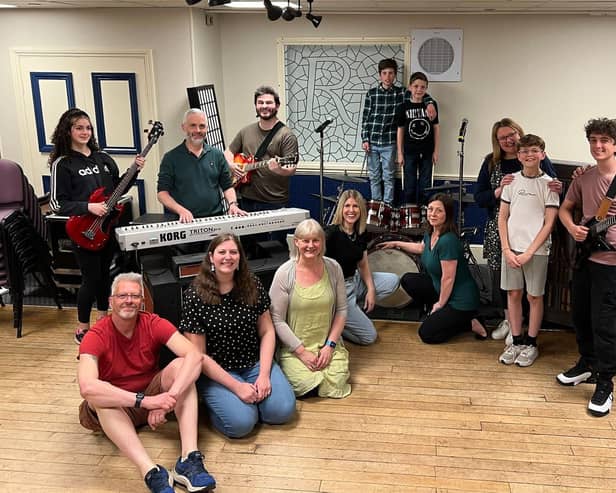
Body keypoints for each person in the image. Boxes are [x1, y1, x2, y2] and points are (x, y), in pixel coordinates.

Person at [77, 273, 216, 493]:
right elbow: (87, 387)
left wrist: (168, 399)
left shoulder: (153, 323)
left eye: (134, 295)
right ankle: (150, 471)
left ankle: (189, 460)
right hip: (119, 407)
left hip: (151, 393)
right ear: (111, 300)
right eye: (122, 295)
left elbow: (195, 356)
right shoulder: (96, 334)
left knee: (183, 367)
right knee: (99, 397)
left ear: (142, 301)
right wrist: (147, 402)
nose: (129, 300)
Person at [179, 233, 296, 438]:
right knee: (241, 425)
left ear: (240, 257)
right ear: (211, 257)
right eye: (222, 252)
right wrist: (236, 387)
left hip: (253, 364)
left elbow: (267, 331)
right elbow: (198, 355)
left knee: (282, 411)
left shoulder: (252, 285)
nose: (228, 257)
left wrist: (264, 375)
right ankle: (221, 406)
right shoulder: (194, 295)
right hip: (217, 371)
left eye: (233, 252)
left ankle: (250, 405)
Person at [49, 108, 146, 345]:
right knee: (90, 280)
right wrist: (88, 207)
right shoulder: (63, 164)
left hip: (106, 228)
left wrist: (134, 171)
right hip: (83, 230)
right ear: (68, 131)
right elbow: (56, 203)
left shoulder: (102, 158)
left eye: (88, 128)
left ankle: (103, 320)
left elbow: (117, 189)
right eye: (79, 128)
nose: (85, 132)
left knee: (105, 277)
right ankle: (83, 327)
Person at [473, 118, 561, 341]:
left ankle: (525, 328)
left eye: (511, 134)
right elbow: (479, 197)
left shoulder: (537, 160)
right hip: (501, 229)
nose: (508, 140)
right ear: (497, 141)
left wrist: (560, 186)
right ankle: (509, 321)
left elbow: (553, 186)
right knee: (504, 280)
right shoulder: (491, 162)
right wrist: (499, 190)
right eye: (502, 137)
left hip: (533, 234)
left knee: (530, 286)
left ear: (518, 133)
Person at [557, 118, 616, 417]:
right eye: (593, 139)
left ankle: (605, 383)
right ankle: (586, 364)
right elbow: (566, 209)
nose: (598, 145)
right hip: (585, 256)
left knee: (605, 324)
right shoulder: (583, 177)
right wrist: (572, 229)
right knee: (579, 315)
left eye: (604, 140)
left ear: (615, 144)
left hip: (612, 264)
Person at [379, 194, 487, 343]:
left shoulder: (448, 240)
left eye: (439, 211)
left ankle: (469, 322)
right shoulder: (431, 232)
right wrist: (396, 243)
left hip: (461, 300)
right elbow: (422, 248)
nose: (433, 214)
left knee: (427, 334)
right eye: (430, 209)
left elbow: (448, 278)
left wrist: (440, 304)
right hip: (442, 290)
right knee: (408, 280)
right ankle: (443, 313)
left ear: (447, 214)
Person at [269, 219, 351, 398]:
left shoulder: (333, 268)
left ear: (322, 242)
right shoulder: (284, 274)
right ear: (296, 242)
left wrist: (330, 346)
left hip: (327, 345)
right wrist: (302, 352)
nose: (310, 245)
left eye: (316, 240)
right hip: (294, 350)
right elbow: (277, 319)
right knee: (307, 384)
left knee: (336, 380)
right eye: (305, 241)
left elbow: (342, 310)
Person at [497, 134, 559, 367]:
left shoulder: (549, 184)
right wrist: (506, 249)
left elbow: (549, 223)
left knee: (534, 296)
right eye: (524, 151)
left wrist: (529, 252)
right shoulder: (511, 181)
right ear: (518, 155)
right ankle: (516, 340)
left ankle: (531, 343)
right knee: (513, 294)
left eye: (534, 150)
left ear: (542, 154)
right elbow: (502, 218)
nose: (529, 155)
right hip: (511, 249)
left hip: (537, 251)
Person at [325, 189, 399, 345]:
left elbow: (363, 264)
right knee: (369, 337)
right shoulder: (330, 234)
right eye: (347, 206)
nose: (351, 210)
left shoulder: (360, 232)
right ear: (341, 209)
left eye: (356, 206)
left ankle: (350, 313)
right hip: (338, 289)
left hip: (355, 280)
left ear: (361, 210)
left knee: (393, 280)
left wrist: (371, 290)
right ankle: (336, 323)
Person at [361, 58, 435, 206]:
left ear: (395, 75)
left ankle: (387, 207)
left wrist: (430, 103)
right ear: (380, 75)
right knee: (374, 176)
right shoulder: (372, 93)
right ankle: (376, 207)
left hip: (389, 141)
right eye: (384, 73)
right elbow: (366, 118)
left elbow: (419, 94)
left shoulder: (401, 92)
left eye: (391, 73)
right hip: (373, 140)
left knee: (388, 176)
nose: (388, 77)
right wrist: (365, 139)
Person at [157, 108, 245, 223]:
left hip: (215, 219)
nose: (198, 130)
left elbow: (227, 186)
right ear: (183, 127)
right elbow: (162, 193)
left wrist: (233, 204)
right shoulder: (170, 158)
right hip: (183, 221)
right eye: (193, 125)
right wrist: (181, 211)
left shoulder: (217, 155)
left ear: (207, 128)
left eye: (202, 126)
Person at [224, 85, 298, 213]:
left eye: (269, 102)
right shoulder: (245, 131)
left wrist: (279, 169)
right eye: (260, 102)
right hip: (246, 200)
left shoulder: (286, 135)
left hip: (275, 202)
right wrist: (231, 165)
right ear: (256, 106)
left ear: (277, 106)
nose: (264, 106)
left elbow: (291, 169)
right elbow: (228, 152)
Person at [396, 71, 440, 206]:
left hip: (427, 151)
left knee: (425, 187)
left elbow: (436, 128)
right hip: (409, 152)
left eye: (422, 87)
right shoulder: (403, 106)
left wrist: (436, 150)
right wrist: (400, 152)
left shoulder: (431, 106)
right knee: (409, 186)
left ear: (426, 88)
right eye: (416, 86)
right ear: (410, 87)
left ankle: (424, 216)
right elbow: (400, 129)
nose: (419, 90)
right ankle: (410, 217)